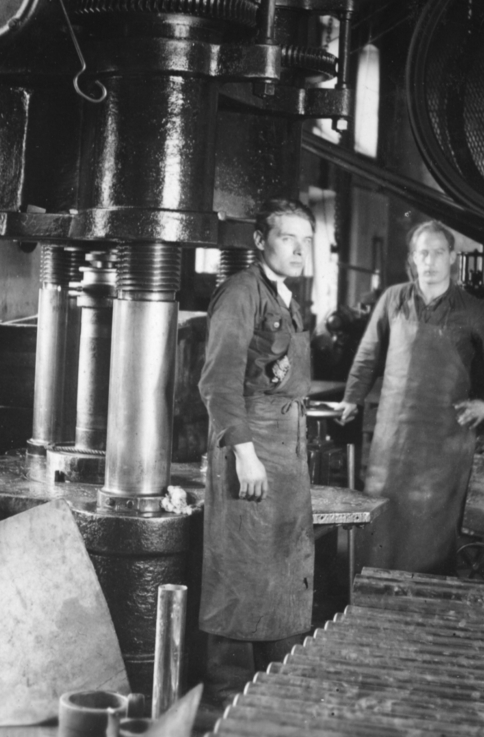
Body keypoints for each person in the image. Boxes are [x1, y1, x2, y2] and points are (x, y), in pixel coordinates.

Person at [337, 220, 484, 576]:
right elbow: (367, 354)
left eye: (438, 252)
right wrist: (351, 398)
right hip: (392, 440)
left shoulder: (471, 309)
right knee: (381, 522)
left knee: (430, 534)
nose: (431, 261)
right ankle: (374, 593)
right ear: (413, 258)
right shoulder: (393, 299)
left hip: (442, 440)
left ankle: (423, 595)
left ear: (452, 257)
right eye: (423, 253)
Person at [198, 198, 315, 691]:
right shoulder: (240, 293)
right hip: (253, 447)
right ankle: (228, 697)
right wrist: (245, 456)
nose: (299, 249)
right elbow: (218, 383)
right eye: (288, 238)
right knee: (242, 571)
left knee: (282, 570)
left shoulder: (285, 297)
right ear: (261, 240)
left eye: (306, 240)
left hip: (287, 450)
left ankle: (274, 694)